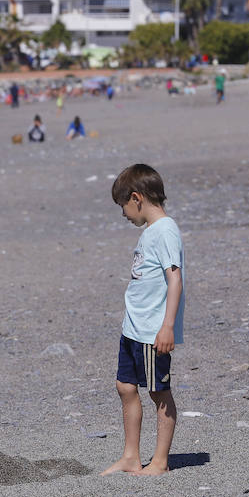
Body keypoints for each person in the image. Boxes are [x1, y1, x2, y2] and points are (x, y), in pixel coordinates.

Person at [101, 164, 184, 477]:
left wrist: (167, 327)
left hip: (152, 330)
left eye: (123, 206)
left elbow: (174, 280)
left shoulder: (165, 231)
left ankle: (160, 462)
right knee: (125, 386)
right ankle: (131, 456)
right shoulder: (152, 232)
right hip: (133, 328)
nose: (124, 214)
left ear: (136, 198)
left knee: (158, 392)